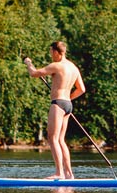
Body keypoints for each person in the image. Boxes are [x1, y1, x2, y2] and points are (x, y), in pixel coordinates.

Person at [24, 41, 85, 179]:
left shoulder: (56, 66)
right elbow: (82, 89)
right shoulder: (74, 68)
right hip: (68, 105)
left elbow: (34, 73)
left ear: (57, 52)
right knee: (61, 140)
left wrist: (28, 63)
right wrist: (68, 97)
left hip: (58, 104)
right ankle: (69, 173)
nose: (50, 54)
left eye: (51, 51)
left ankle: (59, 173)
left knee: (52, 139)